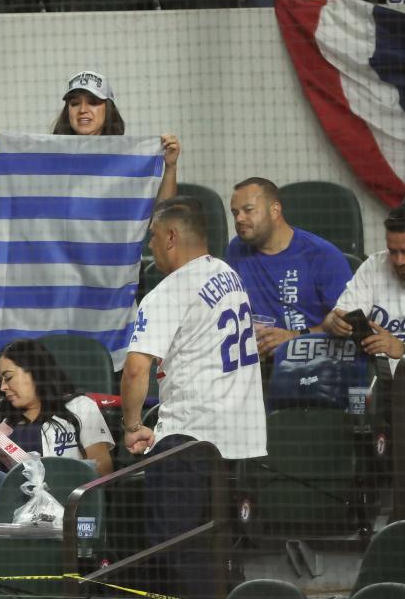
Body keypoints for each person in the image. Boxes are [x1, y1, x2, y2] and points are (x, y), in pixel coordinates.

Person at [121, 197, 266, 599]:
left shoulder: (169, 291)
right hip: (239, 439)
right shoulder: (227, 274)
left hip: (190, 437)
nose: (149, 246)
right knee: (219, 549)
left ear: (171, 237)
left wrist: (132, 426)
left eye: (152, 237)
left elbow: (136, 368)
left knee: (174, 548)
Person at [0, 338, 115, 518]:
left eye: (8, 377)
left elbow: (103, 469)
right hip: (11, 510)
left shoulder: (79, 407)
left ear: (34, 371)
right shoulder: (4, 417)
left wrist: (54, 479)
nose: (3, 387)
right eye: (0, 380)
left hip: (63, 503)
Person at [227, 177, 352, 356]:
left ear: (275, 210)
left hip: (313, 364)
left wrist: (293, 337)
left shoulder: (322, 255)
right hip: (257, 363)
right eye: (235, 213)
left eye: (248, 210)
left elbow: (348, 329)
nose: (239, 219)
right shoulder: (236, 250)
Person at [52, 70, 181, 205]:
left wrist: (170, 166)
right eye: (74, 103)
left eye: (93, 102)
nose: (83, 110)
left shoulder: (130, 158)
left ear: (108, 109)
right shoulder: (52, 158)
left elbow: (163, 216)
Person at [325, 203, 405, 364]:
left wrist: (403, 348)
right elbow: (336, 316)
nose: (399, 261)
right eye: (392, 251)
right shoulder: (375, 265)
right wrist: (335, 323)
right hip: (377, 378)